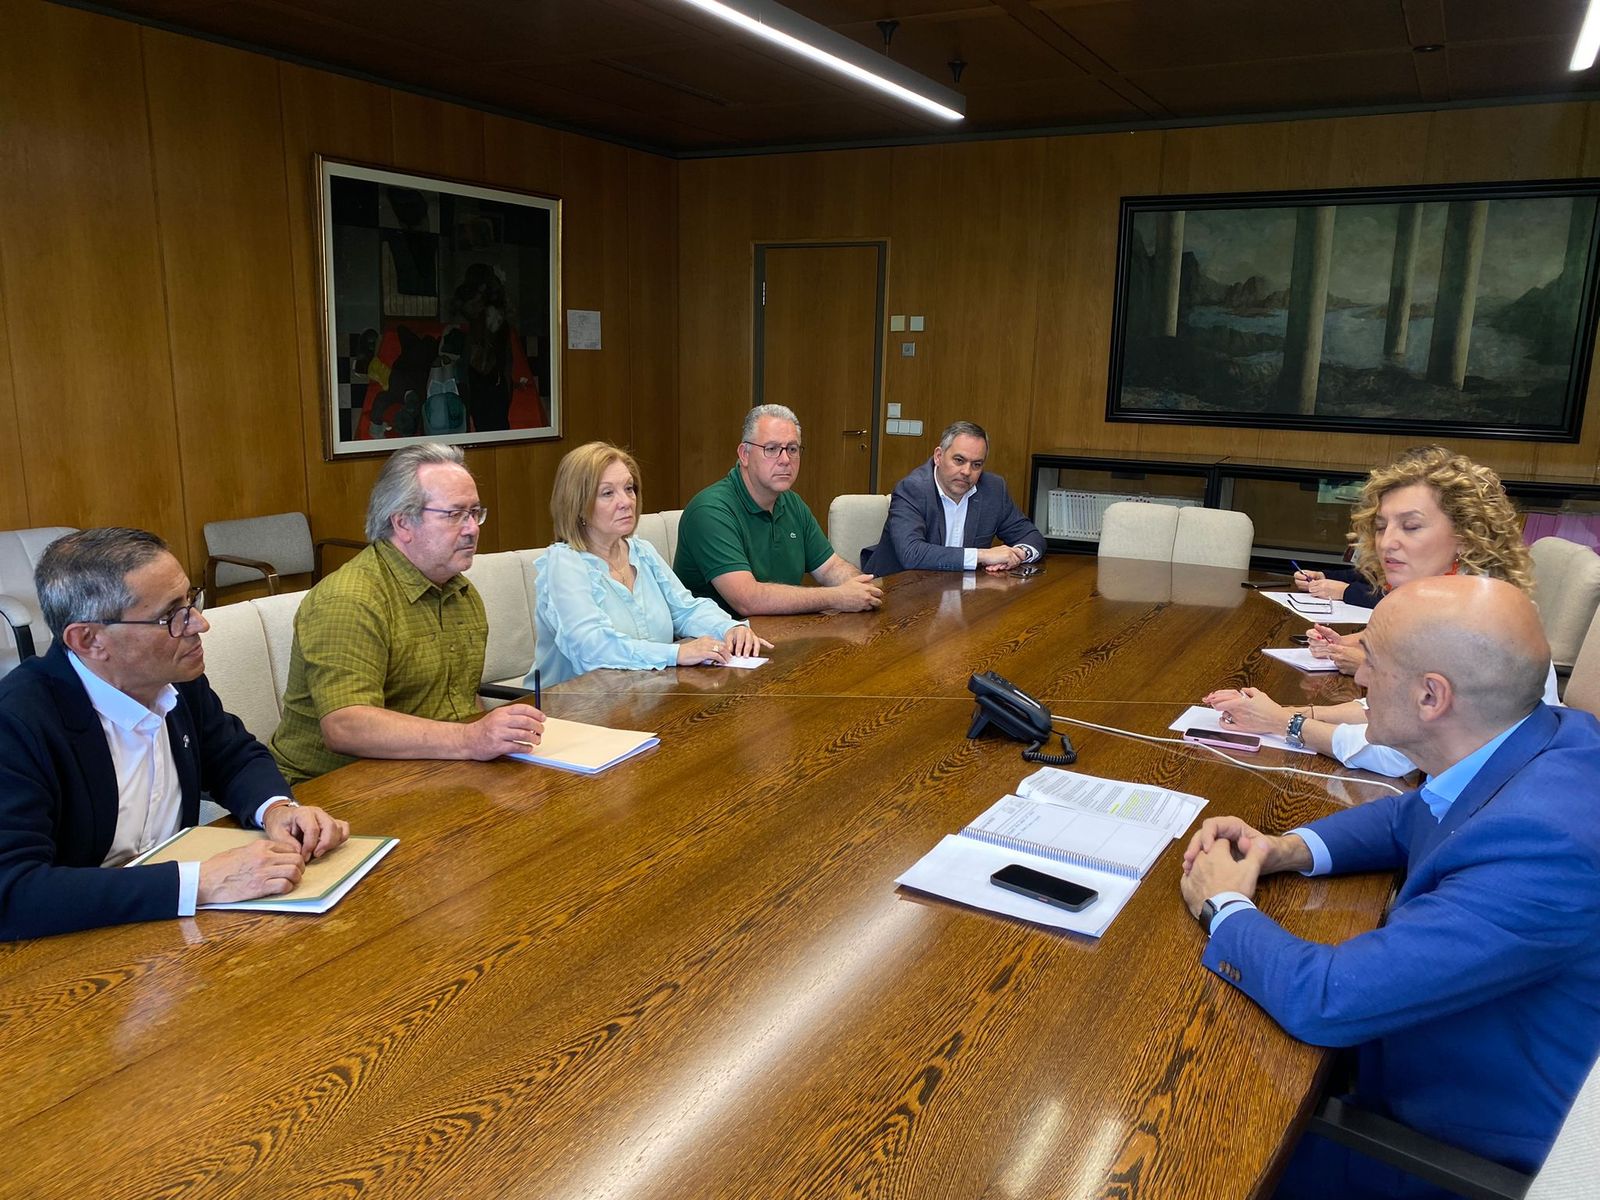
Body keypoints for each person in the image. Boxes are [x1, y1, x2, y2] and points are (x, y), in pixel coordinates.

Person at [1181, 576, 1600, 1199]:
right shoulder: (1553, 736)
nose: (1359, 682)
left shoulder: (1543, 851)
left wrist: (1225, 906)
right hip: (1424, 1049)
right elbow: (1414, 813)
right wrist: (1285, 849)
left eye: (1371, 663)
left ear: (1432, 696)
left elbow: (1326, 1000)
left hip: (1438, 1148)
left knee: (1186, 1143)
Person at [0, 528, 349, 941]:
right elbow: (13, 892)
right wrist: (200, 882)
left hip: (179, 931)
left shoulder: (176, 679)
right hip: (74, 946)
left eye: (190, 600)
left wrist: (276, 810)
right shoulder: (18, 721)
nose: (199, 623)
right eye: (171, 615)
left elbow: (233, 755)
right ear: (89, 639)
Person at [1205, 446, 1551, 776]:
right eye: (1382, 526)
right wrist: (1291, 711)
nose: (1387, 542)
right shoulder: (1441, 598)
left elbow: (1396, 755)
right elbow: (1387, 711)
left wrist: (1284, 724)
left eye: (1411, 526)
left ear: (1465, 535)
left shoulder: (1470, 621)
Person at [270, 443, 544, 785]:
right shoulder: (350, 598)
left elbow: (459, 701)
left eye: (475, 512)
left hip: (432, 773)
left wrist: (493, 737)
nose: (472, 528)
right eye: (455, 514)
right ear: (403, 523)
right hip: (329, 792)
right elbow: (345, 726)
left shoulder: (460, 592)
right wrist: (470, 740)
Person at [530, 442, 772, 687]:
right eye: (607, 493)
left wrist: (729, 629)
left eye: (629, 488)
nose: (626, 501)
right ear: (578, 505)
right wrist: (677, 653)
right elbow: (593, 648)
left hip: (644, 697)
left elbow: (686, 609)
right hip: (572, 710)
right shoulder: (563, 564)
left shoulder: (641, 551)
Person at [674, 404, 884, 615]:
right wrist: (838, 597)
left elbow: (829, 567)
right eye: (772, 449)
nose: (785, 460)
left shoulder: (792, 503)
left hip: (783, 633)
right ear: (744, 455)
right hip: (717, 641)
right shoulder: (710, 511)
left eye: (792, 449)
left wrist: (861, 587)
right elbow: (747, 599)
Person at [861, 420, 1046, 576]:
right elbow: (912, 553)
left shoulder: (993, 489)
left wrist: (1018, 554)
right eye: (959, 460)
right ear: (939, 456)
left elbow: (1031, 536)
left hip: (960, 593)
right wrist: (983, 555)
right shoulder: (912, 489)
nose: (967, 471)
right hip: (897, 592)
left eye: (976, 464)